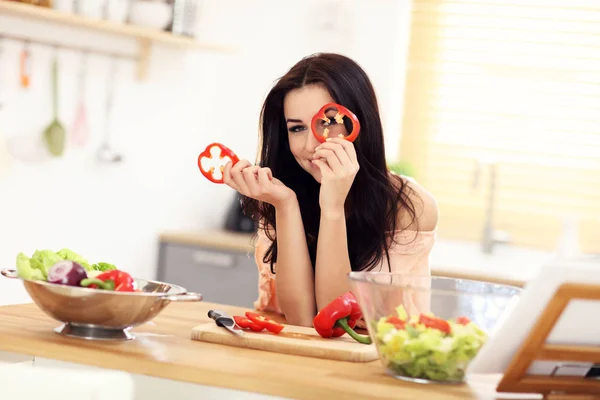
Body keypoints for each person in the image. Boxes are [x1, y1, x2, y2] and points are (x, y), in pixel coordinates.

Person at [223, 53, 438, 327]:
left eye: (327, 122)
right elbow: (301, 318)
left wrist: (333, 207)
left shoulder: (410, 206)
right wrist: (285, 205)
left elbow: (339, 323)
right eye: (297, 128)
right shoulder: (281, 189)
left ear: (360, 122)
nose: (311, 144)